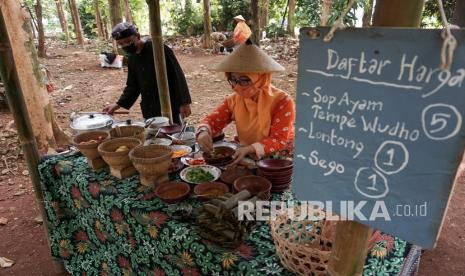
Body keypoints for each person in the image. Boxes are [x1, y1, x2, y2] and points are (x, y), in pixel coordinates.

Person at [197, 40, 295, 166]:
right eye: (233, 79)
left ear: (261, 78)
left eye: (245, 80)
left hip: (279, 156)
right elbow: (212, 120)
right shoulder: (234, 100)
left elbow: (278, 140)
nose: (237, 87)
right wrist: (203, 131)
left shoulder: (282, 101)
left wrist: (250, 149)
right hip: (246, 151)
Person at [103, 22, 192, 124]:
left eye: (128, 41)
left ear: (137, 36)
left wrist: (184, 103)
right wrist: (118, 104)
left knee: (173, 132)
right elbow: (133, 86)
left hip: (170, 104)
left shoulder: (159, 50)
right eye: (121, 44)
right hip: (149, 107)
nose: (125, 45)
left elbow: (177, 75)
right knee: (156, 135)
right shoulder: (132, 58)